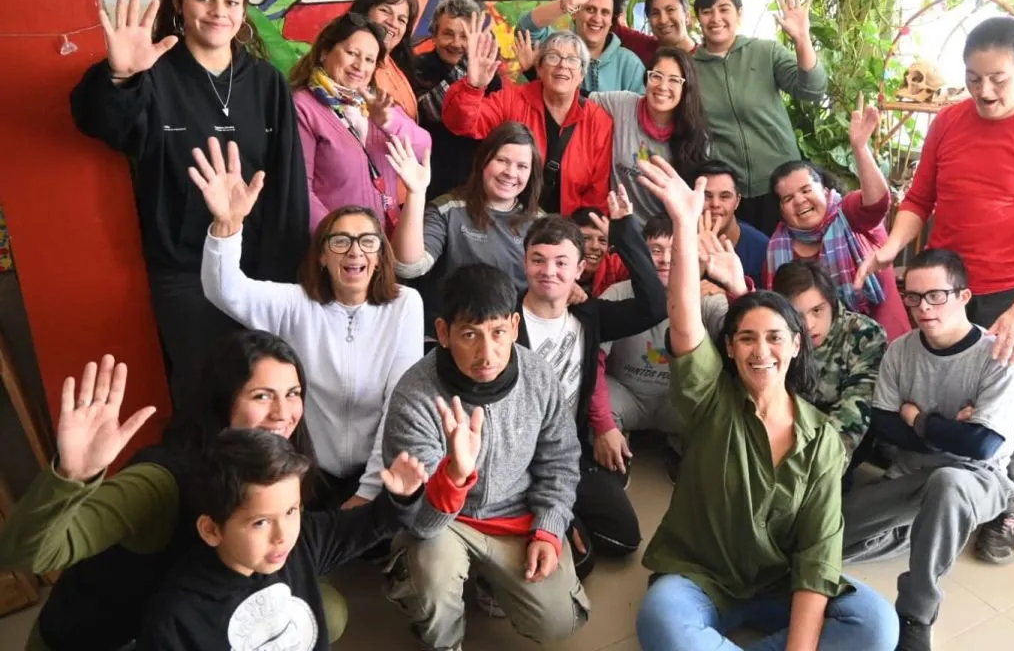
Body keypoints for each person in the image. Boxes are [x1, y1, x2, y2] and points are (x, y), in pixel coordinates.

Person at [632, 155, 898, 651]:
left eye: (775, 337)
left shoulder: (820, 438)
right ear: (730, 349)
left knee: (877, 624)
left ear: (797, 345)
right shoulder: (710, 398)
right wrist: (685, 227)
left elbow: (818, 556)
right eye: (747, 338)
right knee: (662, 620)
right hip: (702, 577)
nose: (761, 351)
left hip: (781, 580)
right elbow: (685, 321)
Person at [854, 16, 1014, 564]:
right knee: (938, 384)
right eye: (973, 78)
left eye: (998, 79)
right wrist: (892, 247)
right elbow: (920, 198)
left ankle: (1004, 508)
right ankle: (935, 483)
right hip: (943, 282)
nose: (984, 91)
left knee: (1005, 406)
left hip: (1010, 290)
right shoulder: (949, 121)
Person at [70, 0, 309, 408]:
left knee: (266, 396)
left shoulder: (266, 82)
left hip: (261, 271)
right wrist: (120, 77)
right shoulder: (154, 73)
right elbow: (101, 121)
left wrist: (289, 275)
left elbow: (288, 186)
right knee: (207, 396)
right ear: (179, 1)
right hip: (185, 272)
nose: (219, 11)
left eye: (232, 1)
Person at [0, 332, 351, 650]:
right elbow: (28, 556)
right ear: (221, 401)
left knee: (326, 610)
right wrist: (71, 476)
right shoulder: (160, 482)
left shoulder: (276, 466)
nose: (283, 413)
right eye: (262, 396)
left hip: (193, 615)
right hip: (109, 638)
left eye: (293, 394)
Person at [191, 138, 424, 508]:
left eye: (368, 242)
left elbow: (401, 401)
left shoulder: (405, 305)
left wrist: (367, 490)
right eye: (340, 241)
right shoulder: (295, 303)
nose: (355, 251)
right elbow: (224, 290)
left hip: (378, 474)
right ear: (321, 258)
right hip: (307, 473)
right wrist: (227, 225)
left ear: (381, 257)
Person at [370, 264, 589, 649]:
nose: (487, 354)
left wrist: (549, 528)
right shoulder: (414, 397)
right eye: (469, 334)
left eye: (498, 332)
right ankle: (445, 640)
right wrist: (454, 476)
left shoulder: (539, 376)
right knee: (431, 577)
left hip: (516, 515)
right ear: (443, 332)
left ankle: (492, 579)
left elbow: (560, 460)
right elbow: (419, 523)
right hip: (447, 523)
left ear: (515, 327)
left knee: (560, 621)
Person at [842, 249, 1014, 651]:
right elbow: (884, 423)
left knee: (948, 483)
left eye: (936, 296)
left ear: (963, 296)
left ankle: (916, 614)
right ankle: (925, 530)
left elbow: (982, 445)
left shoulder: (997, 355)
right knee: (823, 535)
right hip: (908, 478)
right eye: (913, 297)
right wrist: (949, 429)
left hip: (978, 479)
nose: (923, 307)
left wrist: (919, 418)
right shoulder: (901, 350)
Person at [138, 427, 430, 649]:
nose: (283, 535)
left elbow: (374, 522)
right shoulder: (177, 615)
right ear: (211, 530)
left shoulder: (301, 541)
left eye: (291, 511)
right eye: (261, 522)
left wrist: (400, 498)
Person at [517, 201, 667, 574]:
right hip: (517, 459)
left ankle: (562, 509)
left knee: (624, 538)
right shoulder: (505, 319)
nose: (549, 271)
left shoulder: (589, 315)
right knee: (581, 564)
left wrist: (625, 231)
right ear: (525, 262)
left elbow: (655, 304)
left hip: (570, 453)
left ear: (580, 268)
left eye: (561, 262)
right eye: (538, 260)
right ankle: (545, 513)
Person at [600, 215, 744, 481]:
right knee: (587, 394)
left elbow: (742, 340)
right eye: (655, 250)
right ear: (640, 252)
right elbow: (591, 360)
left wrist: (737, 291)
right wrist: (603, 426)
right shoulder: (617, 294)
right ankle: (615, 452)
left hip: (679, 402)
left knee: (719, 402)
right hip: (626, 393)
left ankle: (680, 447)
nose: (665, 259)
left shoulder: (708, 297)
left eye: (674, 249)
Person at [764, 102, 908, 341]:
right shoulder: (776, 248)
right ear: (781, 210)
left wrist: (860, 148)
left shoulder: (848, 214)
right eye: (788, 198)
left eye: (806, 190)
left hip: (885, 343)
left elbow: (877, 204)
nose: (799, 201)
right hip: (818, 355)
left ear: (825, 190)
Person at [692, 0, 828, 233]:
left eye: (724, 9)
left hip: (782, 186)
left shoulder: (766, 52)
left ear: (739, 14)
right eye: (707, 12)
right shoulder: (691, 69)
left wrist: (802, 39)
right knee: (740, 255)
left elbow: (812, 90)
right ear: (697, 18)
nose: (716, 18)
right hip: (731, 192)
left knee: (786, 254)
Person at [443, 16, 614, 215]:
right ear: (539, 68)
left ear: (582, 74)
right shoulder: (512, 100)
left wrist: (578, 230)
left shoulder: (598, 122)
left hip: (565, 226)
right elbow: (462, 124)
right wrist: (473, 87)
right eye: (553, 57)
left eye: (572, 60)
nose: (562, 65)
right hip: (505, 219)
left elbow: (598, 194)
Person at [391, 122, 544, 328]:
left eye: (522, 166)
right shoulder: (448, 209)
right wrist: (416, 193)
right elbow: (409, 267)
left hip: (512, 334)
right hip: (449, 332)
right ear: (483, 161)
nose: (510, 172)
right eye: (502, 160)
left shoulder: (540, 223)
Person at [290, 12, 431, 234]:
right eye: (352, 53)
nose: (360, 66)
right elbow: (300, 190)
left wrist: (388, 122)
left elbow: (423, 148)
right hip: (334, 244)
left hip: (382, 241)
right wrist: (339, 240)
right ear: (325, 52)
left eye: (369, 60)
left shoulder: (375, 103)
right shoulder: (303, 106)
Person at [772, 261, 886, 462]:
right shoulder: (776, 334)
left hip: (843, 443)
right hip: (787, 433)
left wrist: (821, 466)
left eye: (817, 310)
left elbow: (855, 409)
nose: (808, 325)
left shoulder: (864, 334)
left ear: (832, 302)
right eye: (797, 315)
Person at [590, 46, 711, 221]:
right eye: (656, 76)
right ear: (646, 79)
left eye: (674, 80)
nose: (663, 86)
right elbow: (576, 99)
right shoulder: (622, 104)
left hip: (667, 231)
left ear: (686, 88)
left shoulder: (697, 137)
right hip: (619, 224)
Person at [411, 0, 505, 200]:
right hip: (431, 182)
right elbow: (429, 110)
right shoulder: (417, 67)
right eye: (448, 34)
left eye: (465, 36)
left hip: (477, 182)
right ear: (434, 36)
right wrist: (469, 66)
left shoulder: (492, 77)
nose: (456, 43)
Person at [517, 0, 645, 93]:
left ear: (611, 20)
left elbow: (644, 105)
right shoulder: (554, 46)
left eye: (605, 12)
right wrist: (566, 4)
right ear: (575, 12)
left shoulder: (629, 64)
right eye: (590, 9)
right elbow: (526, 29)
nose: (597, 18)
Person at [696, 159, 769, 288]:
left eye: (725, 196)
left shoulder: (762, 248)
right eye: (707, 196)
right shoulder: (675, 240)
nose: (715, 204)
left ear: (737, 201)